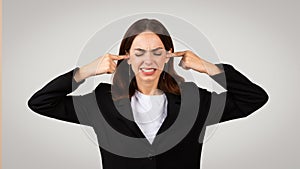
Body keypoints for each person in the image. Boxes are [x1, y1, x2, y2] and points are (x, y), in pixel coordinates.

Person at [28, 18, 269, 169]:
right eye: (139, 52)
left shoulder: (193, 100)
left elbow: (254, 99)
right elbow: (40, 103)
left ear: (168, 55)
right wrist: (86, 71)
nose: (148, 60)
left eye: (157, 52)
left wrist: (207, 67)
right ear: (127, 56)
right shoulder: (102, 102)